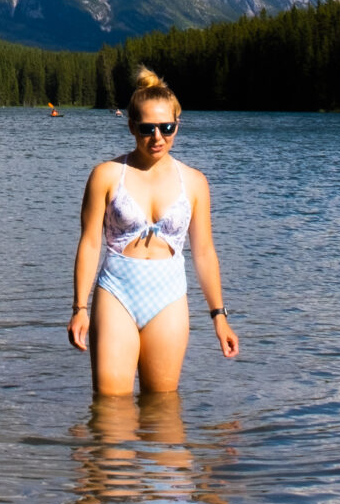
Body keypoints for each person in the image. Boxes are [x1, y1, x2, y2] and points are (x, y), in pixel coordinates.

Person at [67, 67, 237, 395]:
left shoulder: (195, 182)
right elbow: (89, 245)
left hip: (168, 297)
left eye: (166, 127)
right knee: (109, 409)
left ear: (177, 124)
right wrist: (79, 308)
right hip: (116, 292)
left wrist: (219, 316)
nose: (157, 137)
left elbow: (204, 252)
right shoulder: (105, 175)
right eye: (147, 128)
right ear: (131, 126)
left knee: (162, 411)